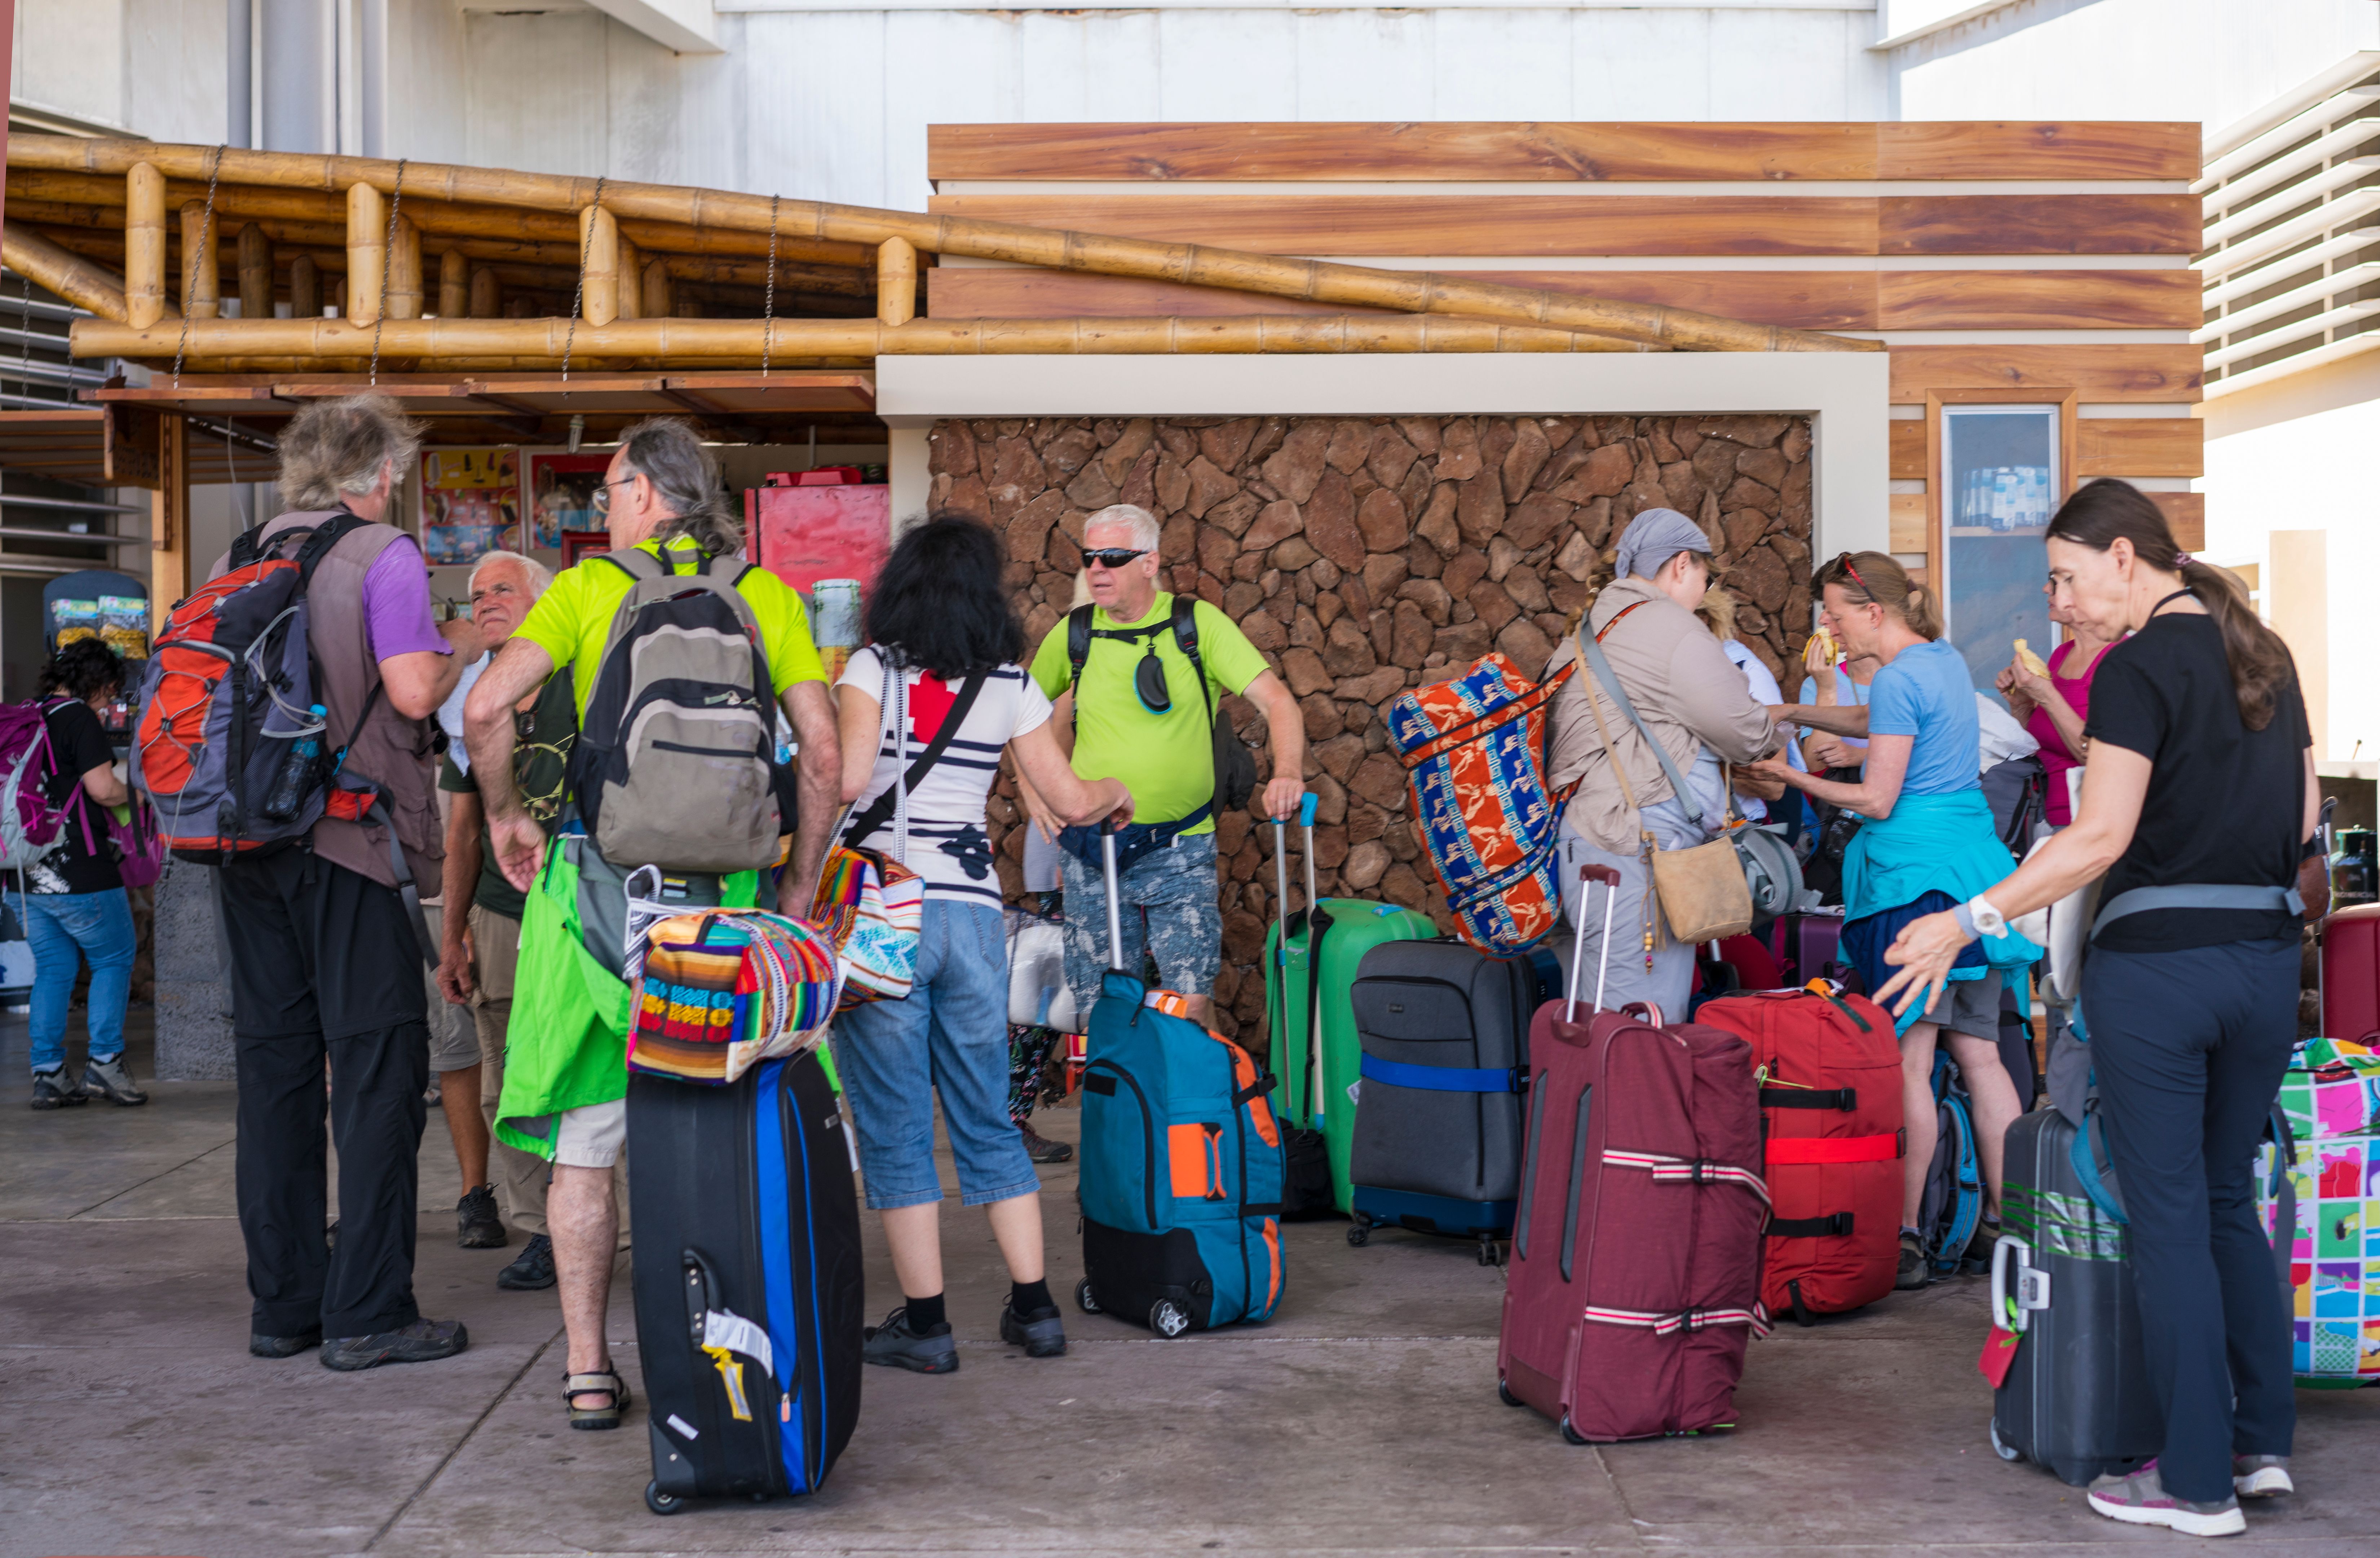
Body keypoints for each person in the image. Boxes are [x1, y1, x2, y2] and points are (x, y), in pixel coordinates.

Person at [1872, 480, 2311, 1536]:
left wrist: (1962, 921)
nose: (2057, 606)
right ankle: (2258, 1450)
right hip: (2262, 965)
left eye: (2064, 580)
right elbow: (2301, 824)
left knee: (2165, 1217)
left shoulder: (2139, 667)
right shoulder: (2265, 654)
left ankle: (2194, 1482)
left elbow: (2098, 837)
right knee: (2222, 1205)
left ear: (2125, 557)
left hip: (2161, 972)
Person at [467, 417, 840, 1431]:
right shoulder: (763, 597)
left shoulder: (588, 590)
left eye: (609, 486)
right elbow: (824, 760)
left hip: (600, 904)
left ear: (639, 492)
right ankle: (743, 1360)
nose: (604, 502)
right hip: (727, 921)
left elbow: (485, 709)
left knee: (589, 1149)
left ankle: (589, 1371)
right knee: (735, 1132)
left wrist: (506, 817)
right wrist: (799, 885)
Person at [830, 515, 1134, 1373]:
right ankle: (1034, 1311)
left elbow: (850, 780)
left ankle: (926, 1326)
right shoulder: (1009, 684)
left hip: (883, 916)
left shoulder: (868, 671)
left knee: (895, 1128)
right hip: (970, 917)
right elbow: (1073, 799)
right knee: (988, 1117)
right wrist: (1115, 790)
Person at [225, 393, 482, 1369]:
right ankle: (369, 1311)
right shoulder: (385, 554)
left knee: (277, 1072)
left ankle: (283, 1307)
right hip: (345, 840)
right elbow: (414, 690)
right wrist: (455, 646)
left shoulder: (238, 553)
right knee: (376, 1069)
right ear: (380, 475)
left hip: (245, 845)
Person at [1748, 551, 2035, 1291]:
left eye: (1837, 617)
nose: (1831, 633)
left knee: (1911, 1059)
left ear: (1872, 611)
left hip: (1918, 889)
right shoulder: (1938, 659)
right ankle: (2011, 1229)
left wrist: (1788, 774)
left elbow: (1876, 800)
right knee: (1982, 1056)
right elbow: (1868, 717)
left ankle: (1905, 1234)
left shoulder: (1904, 674)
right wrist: (1792, 712)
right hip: (1974, 879)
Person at [1020, 503, 1305, 1032]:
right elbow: (1023, 715)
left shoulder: (1195, 625)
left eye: (1112, 557)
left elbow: (1278, 702)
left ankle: (1194, 1114)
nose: (1097, 569)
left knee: (1190, 1005)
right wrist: (1033, 790)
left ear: (1149, 563)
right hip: (1092, 850)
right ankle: (1127, 1115)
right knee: (1103, 1010)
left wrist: (1286, 771)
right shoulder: (1076, 633)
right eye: (1089, 557)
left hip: (1179, 845)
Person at [1544, 508, 1779, 1018]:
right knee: (1633, 1038)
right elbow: (1748, 733)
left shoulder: (1586, 630)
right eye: (1704, 577)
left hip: (1582, 853)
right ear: (1680, 565)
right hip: (1633, 859)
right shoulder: (1669, 627)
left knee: (1589, 1028)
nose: (1703, 590)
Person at [434, 549, 596, 1290]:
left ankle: (600, 1218)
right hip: (501, 916)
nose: (488, 600)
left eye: (504, 588)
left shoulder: (585, 683)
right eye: (477, 594)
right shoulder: (477, 700)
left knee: (593, 1077)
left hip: (583, 906)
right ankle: (538, 1229)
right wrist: (452, 935)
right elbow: (462, 834)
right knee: (508, 1084)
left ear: (545, 600)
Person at [18, 639, 144, 1110]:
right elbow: (104, 789)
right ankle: (106, 1064)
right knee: (114, 957)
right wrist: (142, 797)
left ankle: (48, 1073)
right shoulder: (77, 718)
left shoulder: (26, 716)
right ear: (100, 683)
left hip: (22, 874)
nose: (112, 701)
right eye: (112, 691)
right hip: (78, 869)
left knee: (53, 968)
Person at [1999, 585, 2121, 830]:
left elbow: (2099, 759)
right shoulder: (2062, 655)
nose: (2045, 589)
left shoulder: (2119, 661)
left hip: (2083, 824)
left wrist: (2046, 696)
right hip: (2038, 816)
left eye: (2056, 579)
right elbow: (2039, 743)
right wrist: (2022, 704)